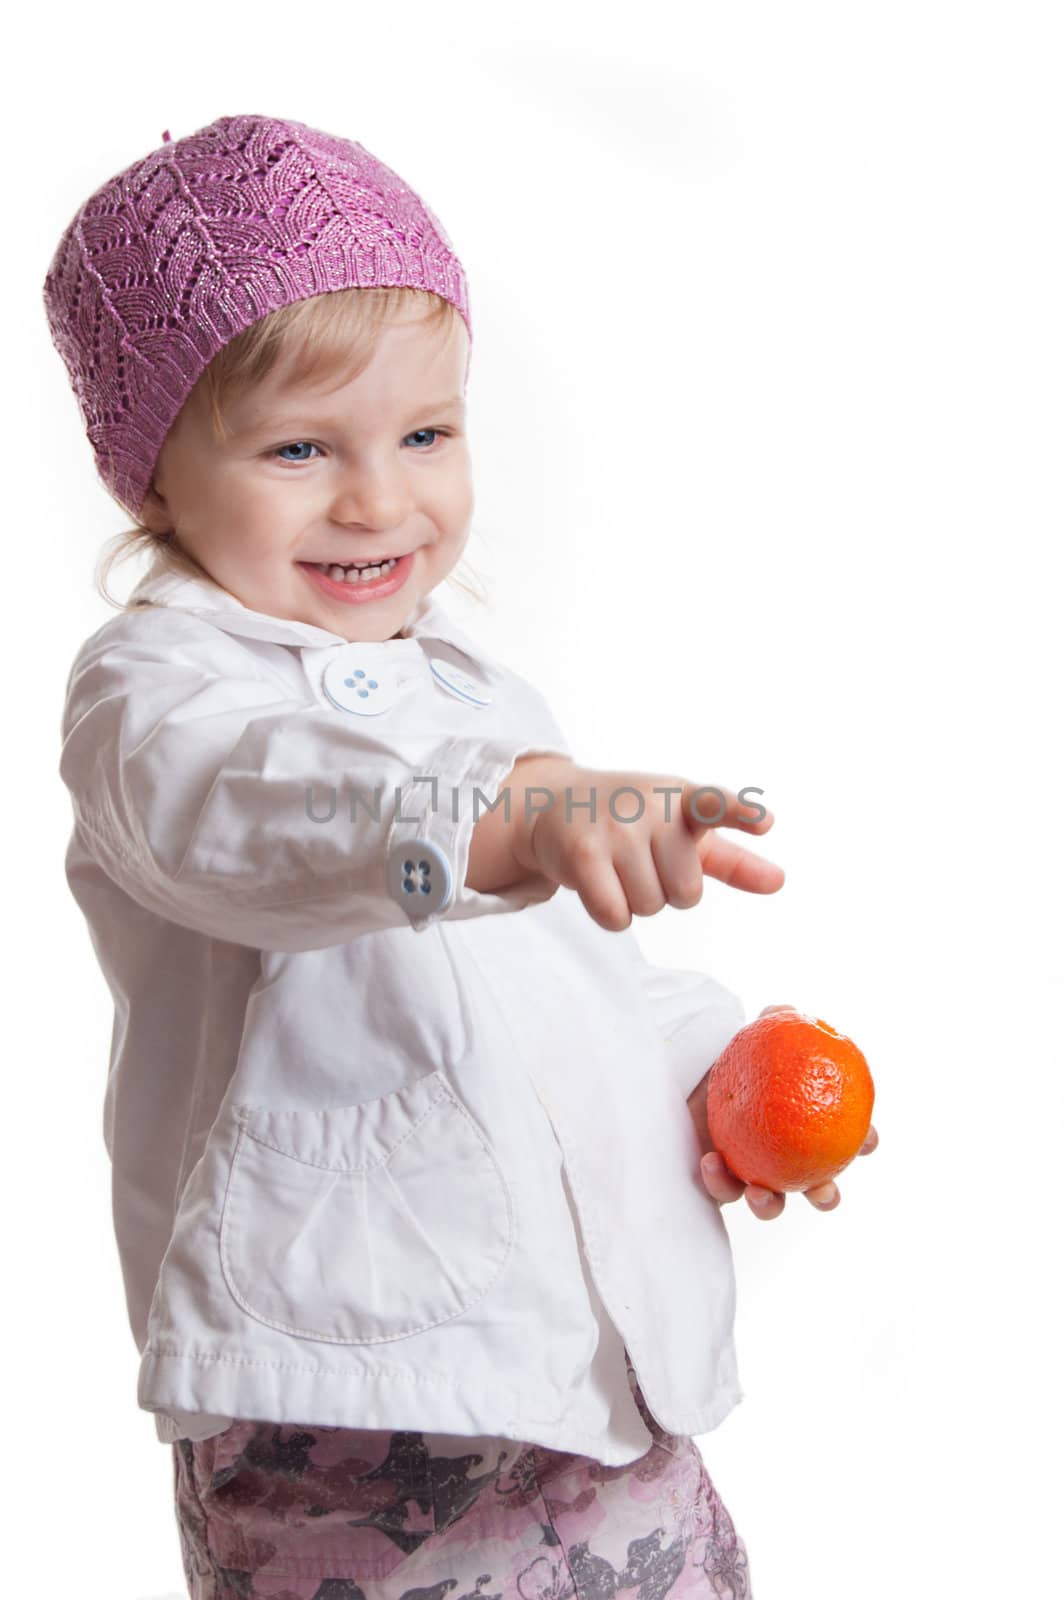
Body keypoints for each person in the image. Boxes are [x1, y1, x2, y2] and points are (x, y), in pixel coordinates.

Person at [44, 113, 876, 1600]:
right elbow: (253, 815)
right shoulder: (155, 694)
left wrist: (719, 1067)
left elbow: (560, 989)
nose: (377, 501)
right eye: (301, 448)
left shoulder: (478, 696)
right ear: (149, 476)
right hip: (355, 1422)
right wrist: (509, 814)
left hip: (590, 1397)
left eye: (425, 435)